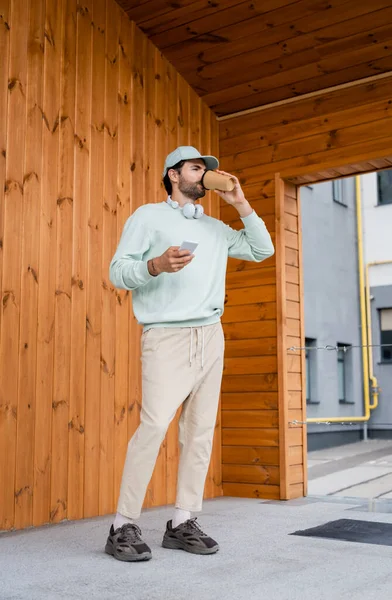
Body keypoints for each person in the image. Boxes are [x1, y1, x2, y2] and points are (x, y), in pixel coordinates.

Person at [105, 146, 274, 562]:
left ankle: (182, 521)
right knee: (153, 428)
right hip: (166, 335)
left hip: (211, 335)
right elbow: (117, 271)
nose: (205, 174)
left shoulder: (216, 228)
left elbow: (262, 249)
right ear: (174, 174)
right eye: (197, 168)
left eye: (208, 169)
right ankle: (122, 525)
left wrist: (241, 203)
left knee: (199, 432)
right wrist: (156, 265)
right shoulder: (147, 216)